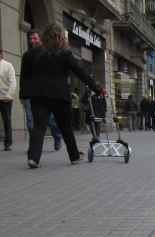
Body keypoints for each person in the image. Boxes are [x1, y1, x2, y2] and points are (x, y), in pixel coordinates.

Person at [21, 24, 103, 168]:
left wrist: (24, 95)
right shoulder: (64, 53)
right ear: (59, 37)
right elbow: (80, 72)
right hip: (60, 96)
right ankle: (74, 156)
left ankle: (33, 158)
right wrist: (97, 89)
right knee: (66, 127)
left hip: (38, 96)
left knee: (38, 127)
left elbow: (25, 77)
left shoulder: (30, 55)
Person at [21, 30, 62, 151]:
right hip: (30, 93)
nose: (32, 41)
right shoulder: (27, 55)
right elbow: (24, 75)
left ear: (40, 39)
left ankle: (57, 137)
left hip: (44, 93)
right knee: (30, 122)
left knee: (50, 121)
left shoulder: (47, 53)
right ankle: (33, 148)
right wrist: (22, 94)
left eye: (35, 38)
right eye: (31, 39)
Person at [0, 48, 17, 151]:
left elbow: (13, 82)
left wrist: (8, 95)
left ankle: (8, 143)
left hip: (5, 98)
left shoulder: (7, 65)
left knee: (7, 120)